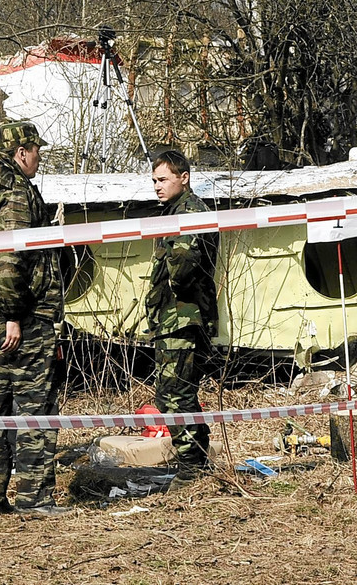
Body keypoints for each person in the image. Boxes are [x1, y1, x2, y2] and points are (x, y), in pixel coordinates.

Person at [0, 120, 67, 516]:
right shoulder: (16, 193)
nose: (39, 157)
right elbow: (6, 260)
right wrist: (13, 315)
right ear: (21, 153)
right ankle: (35, 499)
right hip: (22, 319)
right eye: (35, 150)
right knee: (34, 410)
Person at [146, 149, 218, 490]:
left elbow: (184, 263)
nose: (157, 186)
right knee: (176, 393)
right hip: (172, 318)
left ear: (183, 177)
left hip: (183, 318)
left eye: (163, 179)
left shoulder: (190, 212)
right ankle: (196, 462)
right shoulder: (174, 211)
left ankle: (192, 469)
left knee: (175, 395)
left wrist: (169, 291)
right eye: (154, 181)